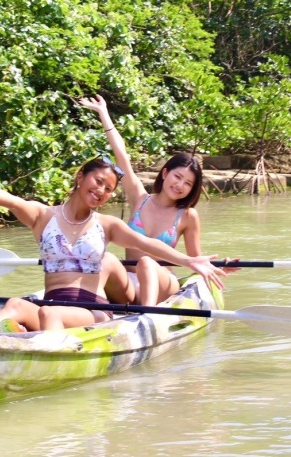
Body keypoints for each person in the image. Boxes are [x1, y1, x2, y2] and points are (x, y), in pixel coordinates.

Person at [0, 158, 227, 332]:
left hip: (93, 311)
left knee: (50, 314)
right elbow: (10, 199)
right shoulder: (43, 216)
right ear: (80, 177)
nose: (101, 191)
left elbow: (146, 243)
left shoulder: (107, 225)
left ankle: (39, 359)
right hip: (53, 303)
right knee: (15, 305)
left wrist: (190, 262)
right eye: (97, 182)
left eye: (108, 189)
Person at [78, 94, 215, 306]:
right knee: (106, 260)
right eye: (177, 177)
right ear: (165, 173)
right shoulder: (139, 198)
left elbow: (196, 259)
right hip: (130, 282)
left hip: (162, 282)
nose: (180, 185)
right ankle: (83, 306)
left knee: (147, 263)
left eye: (188, 183)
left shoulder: (188, 216)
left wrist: (217, 267)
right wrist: (103, 113)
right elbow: (121, 155)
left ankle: (148, 315)